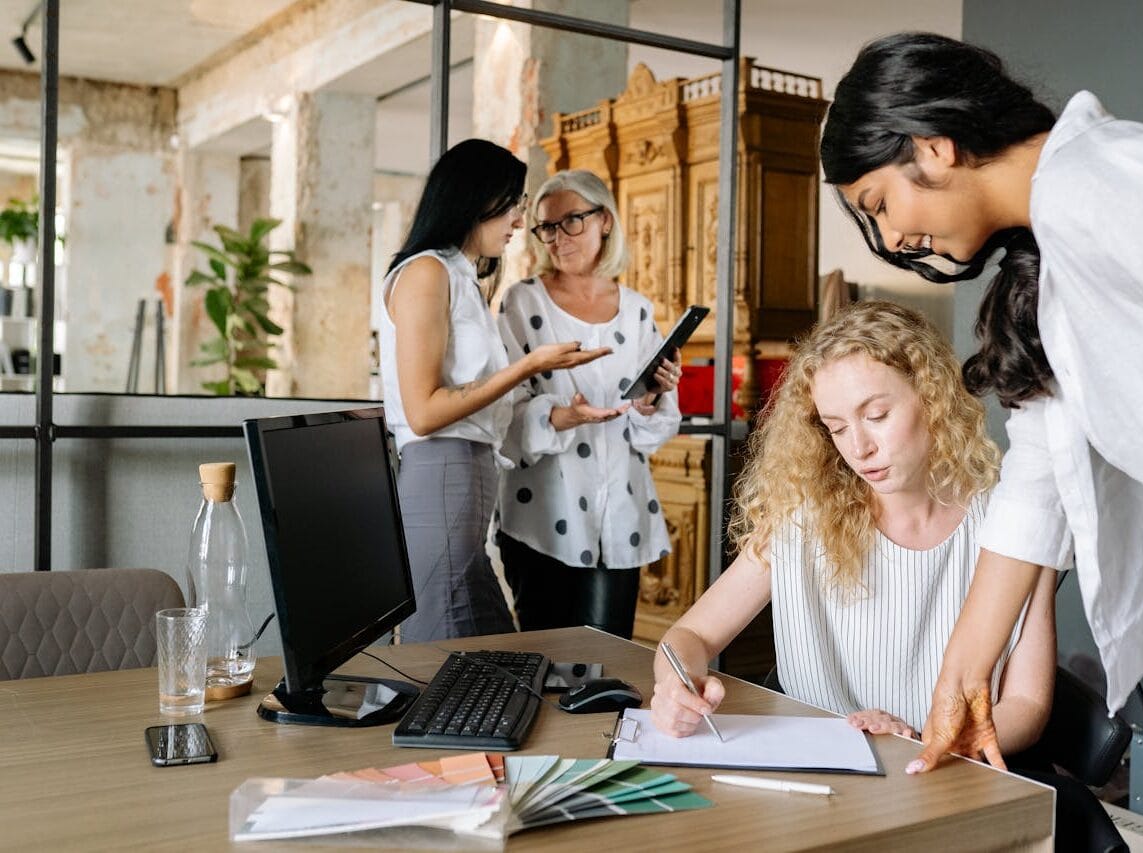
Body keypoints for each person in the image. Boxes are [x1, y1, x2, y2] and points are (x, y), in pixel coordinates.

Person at [819, 31, 1143, 774]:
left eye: (879, 203)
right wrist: (961, 685)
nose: (895, 234)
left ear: (933, 147)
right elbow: (1035, 487)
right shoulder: (1049, 254)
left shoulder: (1104, 180)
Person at [649, 300, 1056, 760]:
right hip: (825, 777)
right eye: (837, 428)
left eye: (877, 416)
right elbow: (689, 638)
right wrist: (674, 687)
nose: (859, 448)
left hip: (952, 778)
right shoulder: (802, 519)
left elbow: (1028, 704)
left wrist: (929, 743)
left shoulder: (1014, 520)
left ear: (932, 397)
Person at [380, 140, 611, 642]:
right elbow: (423, 411)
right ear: (473, 199)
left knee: (487, 652)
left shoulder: (460, 278)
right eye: (511, 204)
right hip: (442, 473)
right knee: (449, 657)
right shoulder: (427, 272)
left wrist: (554, 412)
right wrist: (531, 363)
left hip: (465, 479)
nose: (518, 219)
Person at [494, 169, 681, 639]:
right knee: (546, 667)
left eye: (571, 221)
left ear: (605, 221)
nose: (558, 238)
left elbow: (653, 429)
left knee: (608, 670)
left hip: (620, 516)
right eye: (547, 227)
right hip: (541, 518)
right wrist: (565, 417)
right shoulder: (522, 303)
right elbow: (504, 415)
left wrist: (652, 399)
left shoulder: (638, 310)